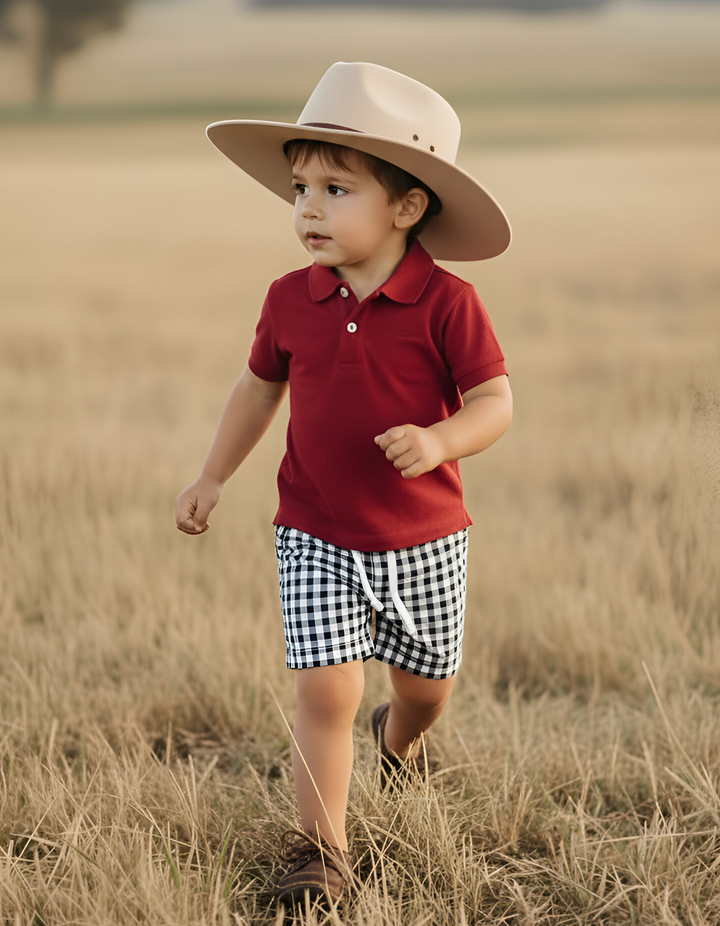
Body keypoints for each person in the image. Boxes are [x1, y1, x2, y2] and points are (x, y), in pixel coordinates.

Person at [174, 61, 513, 908]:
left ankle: (399, 744)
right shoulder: (291, 299)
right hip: (315, 528)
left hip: (427, 536)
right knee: (327, 686)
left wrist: (441, 439)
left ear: (407, 207)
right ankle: (320, 852)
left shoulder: (448, 303)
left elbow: (495, 401)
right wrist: (213, 476)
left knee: (424, 690)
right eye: (299, 188)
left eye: (335, 187)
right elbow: (258, 389)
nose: (309, 209)